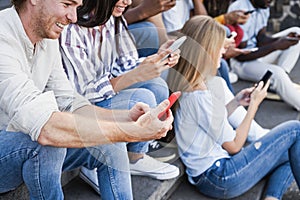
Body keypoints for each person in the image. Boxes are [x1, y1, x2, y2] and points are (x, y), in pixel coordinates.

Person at [0, 0, 175, 199]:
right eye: (67, 4)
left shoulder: (46, 34)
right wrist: (130, 132)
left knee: (110, 141)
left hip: (28, 141)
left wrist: (126, 118)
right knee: (46, 143)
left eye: (76, 7)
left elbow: (69, 102)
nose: (74, 17)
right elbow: (46, 128)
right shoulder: (3, 37)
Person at [168, 15, 300, 200]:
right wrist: (254, 105)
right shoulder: (199, 94)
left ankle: (272, 197)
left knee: (292, 148)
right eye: (219, 48)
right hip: (221, 177)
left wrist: (236, 102)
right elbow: (235, 146)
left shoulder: (188, 84)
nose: (223, 52)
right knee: (295, 130)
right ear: (206, 51)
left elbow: (210, 123)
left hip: (212, 176)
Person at [59, 0, 180, 194]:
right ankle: (92, 160)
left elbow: (125, 63)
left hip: (103, 94)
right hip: (81, 109)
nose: (129, 1)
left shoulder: (113, 19)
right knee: (143, 97)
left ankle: (134, 158)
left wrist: (154, 61)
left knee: (157, 85)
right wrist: (136, 75)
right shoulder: (71, 28)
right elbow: (82, 93)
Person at [228, 0, 300, 111]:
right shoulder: (239, 9)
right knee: (277, 74)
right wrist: (276, 45)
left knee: (296, 32)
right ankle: (281, 83)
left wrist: (281, 40)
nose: (271, 1)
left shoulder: (263, 5)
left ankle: (275, 85)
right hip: (241, 64)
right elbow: (240, 55)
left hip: (257, 54)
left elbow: (261, 39)